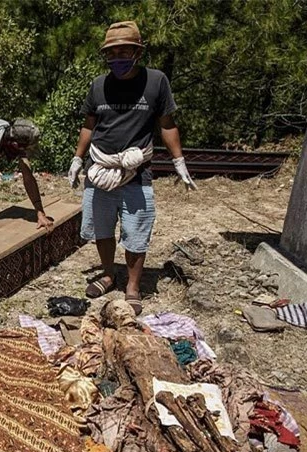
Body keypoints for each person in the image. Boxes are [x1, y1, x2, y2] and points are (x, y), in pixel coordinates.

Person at [67, 21, 197, 315]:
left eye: (124, 51)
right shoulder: (98, 86)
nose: (118, 58)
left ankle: (133, 287)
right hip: (99, 169)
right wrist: (77, 158)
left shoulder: (155, 82)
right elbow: (89, 125)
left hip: (136, 172)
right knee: (101, 228)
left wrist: (179, 161)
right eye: (112, 53)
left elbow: (167, 124)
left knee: (136, 231)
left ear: (138, 52)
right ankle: (109, 275)